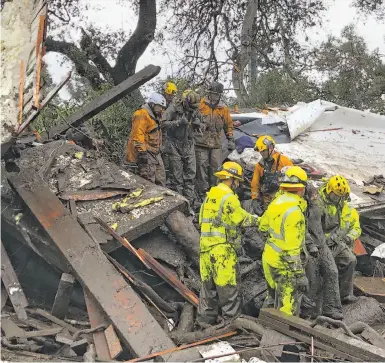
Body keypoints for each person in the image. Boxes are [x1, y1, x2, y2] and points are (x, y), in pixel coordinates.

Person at [197, 161, 260, 326]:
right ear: (231, 179)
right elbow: (242, 218)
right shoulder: (229, 197)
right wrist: (262, 221)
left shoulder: (209, 196)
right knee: (228, 291)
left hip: (205, 250)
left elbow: (200, 221)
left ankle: (204, 325)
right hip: (222, 251)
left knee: (207, 292)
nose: (238, 184)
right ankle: (231, 327)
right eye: (237, 180)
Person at [259, 166, 308, 316]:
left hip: (269, 258)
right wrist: (300, 275)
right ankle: (281, 338)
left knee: (272, 297)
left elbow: (262, 227)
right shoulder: (295, 212)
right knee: (288, 308)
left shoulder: (276, 203)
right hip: (284, 265)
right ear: (301, 189)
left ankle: (265, 326)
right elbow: (292, 250)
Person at [316, 175, 361, 304]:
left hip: (338, 242)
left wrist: (348, 237)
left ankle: (345, 295)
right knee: (326, 269)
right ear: (329, 191)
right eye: (336, 196)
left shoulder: (346, 207)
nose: (338, 199)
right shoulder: (318, 204)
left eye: (341, 197)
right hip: (322, 244)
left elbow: (355, 227)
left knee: (351, 260)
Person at [304, 184, 344, 320]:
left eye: (316, 195)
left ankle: (331, 308)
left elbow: (325, 226)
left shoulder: (318, 207)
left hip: (322, 245)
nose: (316, 197)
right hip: (310, 249)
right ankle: (309, 312)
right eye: (313, 195)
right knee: (313, 280)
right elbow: (302, 230)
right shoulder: (302, 208)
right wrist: (310, 246)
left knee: (332, 272)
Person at [195, 81, 235, 200]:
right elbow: (192, 118)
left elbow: (228, 125)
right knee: (201, 167)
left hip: (216, 143)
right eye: (213, 94)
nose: (215, 97)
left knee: (216, 167)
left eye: (217, 94)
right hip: (201, 142)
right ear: (209, 93)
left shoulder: (223, 108)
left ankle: (215, 191)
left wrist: (230, 139)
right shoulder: (200, 105)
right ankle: (202, 193)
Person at [162, 90, 200, 208]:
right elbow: (163, 123)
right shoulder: (174, 107)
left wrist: (198, 124)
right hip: (174, 144)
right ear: (185, 102)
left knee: (191, 174)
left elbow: (201, 124)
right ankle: (179, 204)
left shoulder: (195, 109)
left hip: (188, 143)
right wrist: (178, 122)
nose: (193, 109)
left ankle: (190, 202)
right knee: (177, 177)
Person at [126, 92, 167, 186]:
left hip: (155, 152)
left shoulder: (155, 115)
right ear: (152, 104)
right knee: (149, 180)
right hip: (145, 151)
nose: (161, 109)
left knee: (161, 179)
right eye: (159, 106)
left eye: (162, 107)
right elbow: (137, 136)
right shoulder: (142, 114)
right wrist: (142, 154)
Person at [251, 135, 293, 213]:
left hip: (283, 200)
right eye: (261, 151)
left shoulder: (284, 161)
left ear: (271, 148)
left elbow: (294, 178)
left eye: (264, 151)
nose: (262, 153)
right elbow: (255, 184)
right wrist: (255, 199)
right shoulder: (259, 166)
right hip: (267, 201)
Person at [161, 82, 178, 181]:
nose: (170, 97)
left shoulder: (174, 103)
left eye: (172, 95)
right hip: (160, 135)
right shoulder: (159, 102)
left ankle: (168, 180)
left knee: (169, 160)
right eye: (169, 95)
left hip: (170, 137)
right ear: (164, 92)